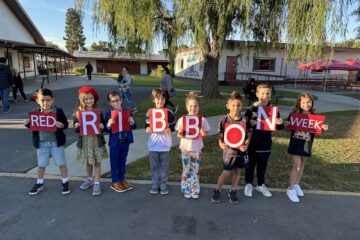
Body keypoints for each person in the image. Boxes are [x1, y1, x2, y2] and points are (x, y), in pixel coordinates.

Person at [24, 88, 70, 195]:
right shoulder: (35, 112)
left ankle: (65, 181)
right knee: (41, 164)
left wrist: (61, 125)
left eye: (48, 100)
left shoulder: (58, 111)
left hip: (56, 143)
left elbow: (65, 124)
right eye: (42, 100)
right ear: (38, 101)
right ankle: (39, 183)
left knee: (61, 163)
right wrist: (26, 123)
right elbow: (32, 125)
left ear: (53, 100)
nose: (45, 103)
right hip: (42, 143)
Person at [284, 92, 328, 203]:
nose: (306, 104)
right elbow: (288, 129)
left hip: (307, 144)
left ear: (312, 103)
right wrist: (286, 124)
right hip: (295, 143)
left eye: (309, 102)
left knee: (302, 165)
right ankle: (291, 188)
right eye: (303, 102)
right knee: (297, 166)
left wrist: (323, 127)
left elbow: (318, 130)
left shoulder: (315, 116)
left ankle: (296, 184)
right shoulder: (294, 114)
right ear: (299, 103)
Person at [243, 84, 284, 198]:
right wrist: (249, 123)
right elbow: (244, 124)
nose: (265, 95)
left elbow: (279, 127)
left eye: (268, 93)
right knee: (250, 165)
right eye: (263, 93)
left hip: (265, 144)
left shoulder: (273, 110)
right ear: (257, 94)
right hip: (252, 143)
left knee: (262, 166)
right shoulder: (252, 109)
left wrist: (280, 123)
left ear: (271, 95)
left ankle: (261, 184)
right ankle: (249, 184)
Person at [212, 91, 252, 204]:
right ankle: (217, 190)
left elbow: (248, 134)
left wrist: (246, 145)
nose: (236, 108)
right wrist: (220, 142)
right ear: (228, 106)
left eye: (238, 105)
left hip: (241, 151)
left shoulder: (245, 120)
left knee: (237, 171)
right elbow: (220, 133)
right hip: (229, 151)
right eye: (233, 105)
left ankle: (233, 191)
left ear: (242, 105)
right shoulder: (224, 120)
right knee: (226, 172)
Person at [175, 92, 210, 199]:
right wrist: (180, 133)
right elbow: (178, 134)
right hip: (185, 148)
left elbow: (206, 133)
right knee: (186, 169)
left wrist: (203, 132)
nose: (193, 108)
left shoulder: (202, 120)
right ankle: (186, 189)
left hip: (197, 148)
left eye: (195, 106)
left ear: (199, 107)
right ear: (186, 107)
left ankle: (194, 189)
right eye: (190, 106)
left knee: (195, 169)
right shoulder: (182, 119)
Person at [74, 86, 108, 196]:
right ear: (82, 100)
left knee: (97, 162)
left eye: (91, 98)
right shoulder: (78, 113)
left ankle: (97, 182)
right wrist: (77, 125)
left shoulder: (99, 112)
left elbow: (104, 127)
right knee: (88, 162)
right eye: (86, 99)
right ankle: (89, 179)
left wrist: (102, 126)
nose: (89, 101)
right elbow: (76, 129)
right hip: (85, 141)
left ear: (94, 99)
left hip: (96, 141)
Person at [105, 91, 137, 192]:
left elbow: (134, 126)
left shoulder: (128, 112)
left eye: (117, 100)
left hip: (125, 141)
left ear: (121, 100)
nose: (115, 103)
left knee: (123, 161)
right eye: (112, 101)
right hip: (115, 142)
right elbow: (106, 130)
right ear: (109, 103)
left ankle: (122, 179)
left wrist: (132, 122)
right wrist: (109, 124)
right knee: (114, 162)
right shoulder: (108, 114)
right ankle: (115, 181)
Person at [145, 88, 175, 195]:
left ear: (165, 100)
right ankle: (154, 183)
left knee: (164, 166)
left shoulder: (169, 113)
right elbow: (147, 125)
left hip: (165, 144)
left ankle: (163, 184)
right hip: (153, 144)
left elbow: (173, 126)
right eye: (157, 98)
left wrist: (170, 129)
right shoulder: (149, 112)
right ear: (153, 100)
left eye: (162, 99)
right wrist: (147, 128)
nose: (160, 101)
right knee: (153, 166)